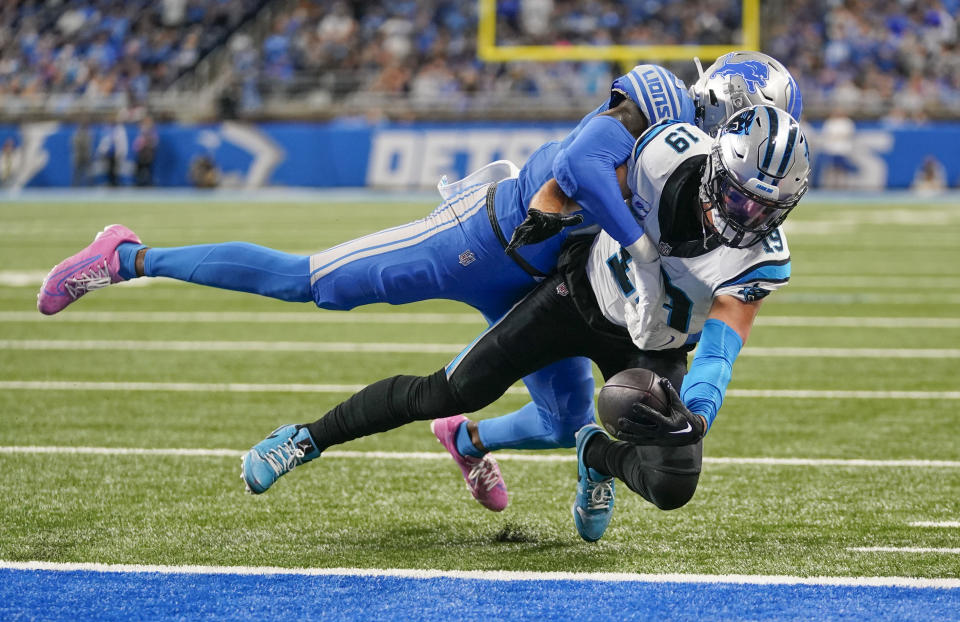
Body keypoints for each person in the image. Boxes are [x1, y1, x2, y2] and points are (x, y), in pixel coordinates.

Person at [36, 53, 801, 512]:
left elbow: (723, 293)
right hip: (485, 241)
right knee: (314, 283)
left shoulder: (720, 186)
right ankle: (128, 255)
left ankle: (466, 443)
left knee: (571, 422)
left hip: (553, 282)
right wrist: (636, 246)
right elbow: (578, 171)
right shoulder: (658, 111)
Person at [236, 106, 810, 546]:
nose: (746, 218)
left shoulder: (760, 257)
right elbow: (573, 174)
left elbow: (721, 344)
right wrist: (565, 213)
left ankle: (594, 456)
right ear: (716, 163)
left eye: (765, 210)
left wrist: (700, 413)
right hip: (576, 295)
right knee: (450, 391)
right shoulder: (664, 155)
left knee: (672, 486)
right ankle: (305, 438)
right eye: (739, 198)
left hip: (652, 347)